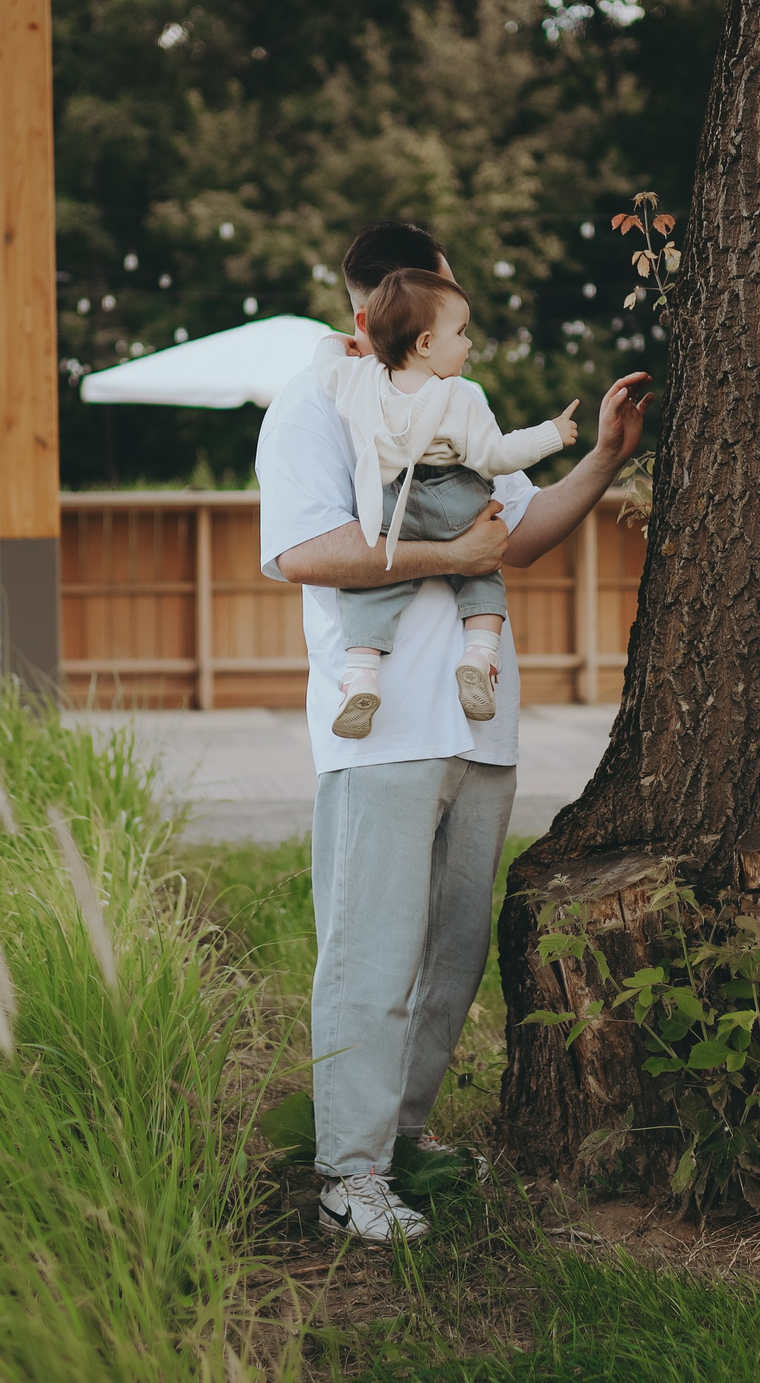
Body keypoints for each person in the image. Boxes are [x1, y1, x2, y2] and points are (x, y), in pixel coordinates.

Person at [257, 220, 649, 1246]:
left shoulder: (453, 404)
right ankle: (347, 1173)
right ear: (375, 306)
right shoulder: (314, 402)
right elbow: (302, 550)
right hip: (379, 726)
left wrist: (605, 455)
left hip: (477, 724)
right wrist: (445, 557)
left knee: (450, 953)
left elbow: (509, 535)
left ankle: (403, 1138)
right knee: (369, 957)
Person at [314, 267, 579, 738]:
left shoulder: (362, 380)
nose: (470, 344)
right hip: (453, 496)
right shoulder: (455, 397)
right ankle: (479, 655)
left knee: (372, 588)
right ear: (425, 345)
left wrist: (336, 344)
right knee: (481, 570)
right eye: (461, 333)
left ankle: (360, 676)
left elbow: (327, 371)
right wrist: (550, 435)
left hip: (391, 503)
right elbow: (495, 456)